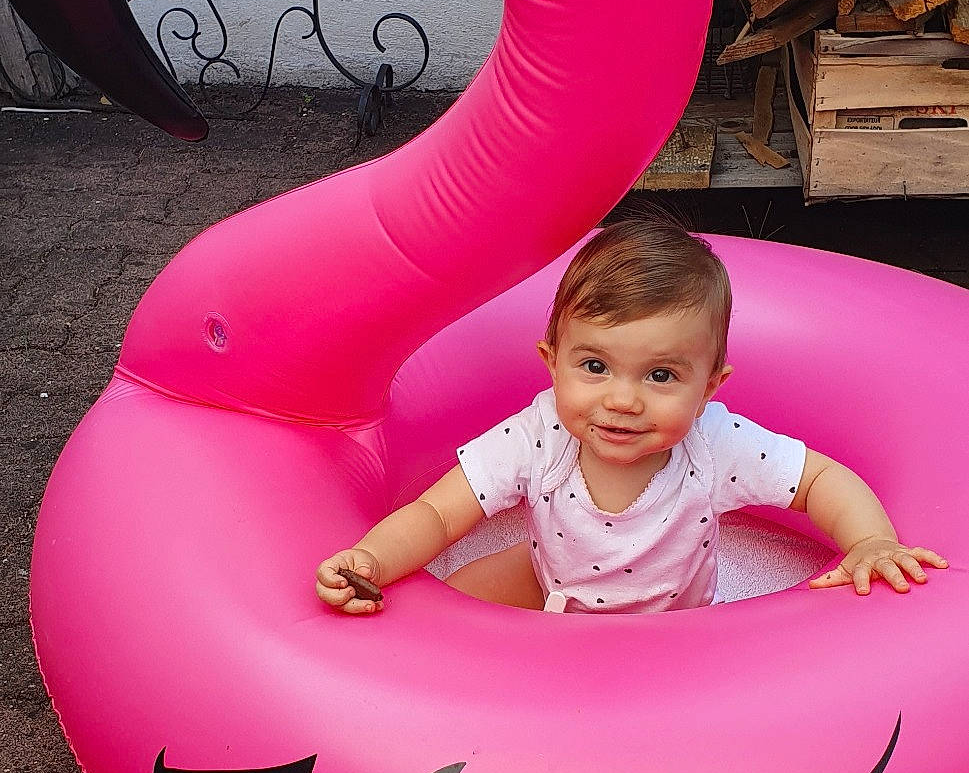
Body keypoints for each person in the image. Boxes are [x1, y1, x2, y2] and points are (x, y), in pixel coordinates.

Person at [315, 212, 947, 618]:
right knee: (448, 608)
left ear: (709, 389)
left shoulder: (715, 444)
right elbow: (438, 511)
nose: (623, 400)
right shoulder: (537, 438)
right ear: (552, 363)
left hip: (674, 623)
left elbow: (819, 482)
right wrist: (371, 556)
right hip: (549, 583)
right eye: (594, 367)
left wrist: (870, 541)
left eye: (662, 376)